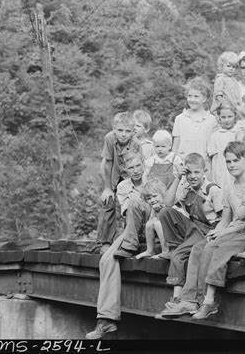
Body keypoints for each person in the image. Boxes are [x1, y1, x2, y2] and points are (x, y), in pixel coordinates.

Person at [158, 142, 245, 320]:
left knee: (217, 248)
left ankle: (205, 299)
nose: (231, 165)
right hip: (238, 230)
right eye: (228, 162)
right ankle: (188, 300)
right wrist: (216, 233)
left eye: (235, 161)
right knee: (200, 248)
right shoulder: (229, 188)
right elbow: (226, 221)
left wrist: (227, 231)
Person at [85, 153, 149, 339]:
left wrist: (145, 183)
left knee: (139, 203)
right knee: (107, 260)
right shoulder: (123, 186)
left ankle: (131, 244)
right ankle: (106, 319)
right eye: (131, 168)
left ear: (143, 165)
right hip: (132, 231)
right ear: (125, 171)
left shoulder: (152, 179)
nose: (136, 171)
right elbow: (129, 212)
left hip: (154, 227)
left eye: (139, 166)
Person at [159, 153, 223, 303]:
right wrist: (177, 178)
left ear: (204, 172)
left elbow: (224, 218)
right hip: (193, 228)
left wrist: (214, 237)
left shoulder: (213, 190)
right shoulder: (187, 189)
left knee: (178, 256)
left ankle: (176, 299)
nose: (192, 176)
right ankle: (176, 246)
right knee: (165, 212)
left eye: (197, 172)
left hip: (208, 230)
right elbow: (167, 204)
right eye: (189, 172)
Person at [97, 111, 142, 254]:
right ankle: (105, 241)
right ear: (114, 129)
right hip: (113, 173)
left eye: (127, 131)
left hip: (130, 175)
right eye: (120, 130)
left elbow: (137, 166)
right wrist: (108, 188)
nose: (123, 134)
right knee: (108, 201)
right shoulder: (109, 139)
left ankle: (128, 237)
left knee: (130, 203)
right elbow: (108, 163)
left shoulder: (136, 143)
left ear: (133, 131)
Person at [172, 76, 217, 165]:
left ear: (204, 98)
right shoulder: (180, 119)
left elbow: (213, 150)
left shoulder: (212, 120)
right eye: (190, 96)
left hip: (204, 166)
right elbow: (175, 148)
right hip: (183, 165)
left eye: (196, 96)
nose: (192, 100)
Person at [135, 178, 169, 260]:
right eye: (149, 198)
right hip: (163, 232)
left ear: (162, 194)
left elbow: (167, 221)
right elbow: (151, 220)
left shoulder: (167, 203)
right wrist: (154, 210)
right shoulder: (155, 207)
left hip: (173, 233)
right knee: (150, 223)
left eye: (154, 196)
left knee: (157, 224)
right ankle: (150, 250)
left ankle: (166, 252)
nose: (152, 200)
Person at [207, 100, 239, 189]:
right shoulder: (215, 135)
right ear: (219, 118)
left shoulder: (238, 133)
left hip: (235, 167)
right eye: (223, 117)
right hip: (220, 170)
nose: (227, 120)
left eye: (230, 116)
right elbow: (212, 158)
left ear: (235, 116)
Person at [210, 52, 243, 118]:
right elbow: (219, 94)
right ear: (222, 66)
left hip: (233, 107)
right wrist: (223, 104)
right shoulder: (221, 79)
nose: (231, 69)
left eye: (233, 67)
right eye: (228, 66)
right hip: (223, 108)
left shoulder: (233, 80)